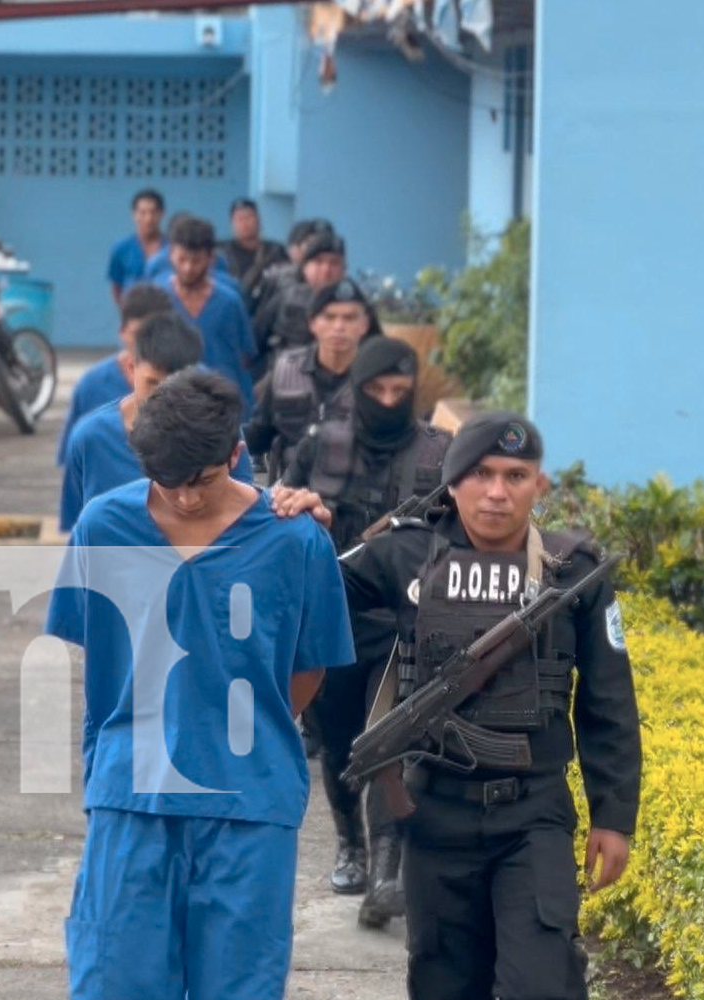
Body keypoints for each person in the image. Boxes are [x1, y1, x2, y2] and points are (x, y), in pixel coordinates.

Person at [276, 412, 642, 1000]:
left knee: (542, 984)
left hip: (534, 817)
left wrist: (614, 815)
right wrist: (301, 526)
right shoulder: (405, 554)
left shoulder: (573, 570)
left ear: (538, 486)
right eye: (480, 474)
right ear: (451, 481)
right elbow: (309, 587)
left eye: (515, 476)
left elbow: (609, 701)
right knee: (444, 983)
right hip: (435, 814)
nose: (497, 492)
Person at [45, 369, 356, 1000]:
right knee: (113, 984)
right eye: (168, 481)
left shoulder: (294, 539)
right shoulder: (103, 527)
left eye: (203, 480)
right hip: (132, 798)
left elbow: (307, 671)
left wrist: (235, 728)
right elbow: (96, 649)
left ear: (237, 454)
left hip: (248, 807)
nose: (185, 498)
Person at [274, 337, 451, 927]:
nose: (388, 400)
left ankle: (386, 873)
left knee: (388, 740)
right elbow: (279, 512)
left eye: (400, 392)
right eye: (376, 390)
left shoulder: (439, 453)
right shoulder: (322, 446)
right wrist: (300, 506)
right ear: (358, 390)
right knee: (341, 738)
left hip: (402, 625)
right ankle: (349, 842)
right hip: (331, 619)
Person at [58, 311, 255, 531]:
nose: (164, 396)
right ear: (131, 369)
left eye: (177, 384)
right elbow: (75, 528)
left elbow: (244, 508)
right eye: (153, 383)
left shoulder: (217, 428)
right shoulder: (89, 438)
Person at [244, 278, 377, 481]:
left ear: (364, 325)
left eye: (349, 318)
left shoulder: (378, 377)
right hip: (290, 497)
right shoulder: (285, 370)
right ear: (312, 323)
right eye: (329, 317)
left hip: (357, 497)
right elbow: (260, 432)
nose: (339, 326)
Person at [55, 283, 173, 466]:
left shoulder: (192, 384)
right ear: (122, 332)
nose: (146, 344)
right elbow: (73, 460)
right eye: (138, 334)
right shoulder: (91, 385)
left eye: (154, 334)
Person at [155, 215, 257, 417]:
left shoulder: (230, 302)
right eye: (182, 259)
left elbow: (245, 357)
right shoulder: (158, 300)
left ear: (211, 259)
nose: (188, 268)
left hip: (222, 408)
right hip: (170, 407)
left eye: (196, 261)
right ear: (170, 255)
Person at [252, 231, 352, 377]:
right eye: (319, 261)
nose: (326, 270)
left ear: (344, 269)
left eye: (334, 263)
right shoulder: (286, 298)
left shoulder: (354, 304)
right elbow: (254, 342)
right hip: (284, 378)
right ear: (305, 267)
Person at [219, 197, 288, 300]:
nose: (244, 223)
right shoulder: (222, 252)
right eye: (239, 219)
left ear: (258, 220)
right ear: (232, 223)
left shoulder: (275, 251)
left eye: (248, 217)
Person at [106, 189, 164, 306]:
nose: (148, 219)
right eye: (142, 213)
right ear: (134, 215)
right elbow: (116, 287)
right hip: (134, 316)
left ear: (162, 214)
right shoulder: (121, 248)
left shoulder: (173, 249)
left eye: (153, 212)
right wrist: (126, 315)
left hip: (166, 316)